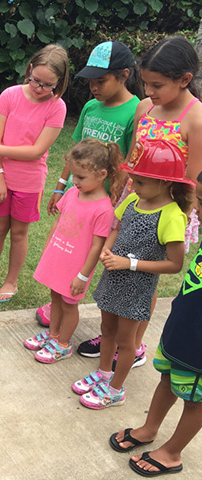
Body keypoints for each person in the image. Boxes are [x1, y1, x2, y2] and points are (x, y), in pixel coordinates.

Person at [75, 36, 202, 363]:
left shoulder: (196, 118)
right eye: (145, 83)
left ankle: (134, 342)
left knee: (145, 278)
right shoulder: (145, 108)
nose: (148, 93)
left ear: (184, 80)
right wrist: (121, 194)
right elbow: (132, 158)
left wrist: (176, 218)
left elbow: (192, 180)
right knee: (118, 268)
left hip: (168, 211)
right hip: (134, 201)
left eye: (157, 85)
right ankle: (113, 334)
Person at [73, 138, 194, 410]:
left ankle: (115, 388)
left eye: (140, 182)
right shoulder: (131, 200)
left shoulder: (172, 215)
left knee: (126, 342)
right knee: (106, 330)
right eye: (134, 180)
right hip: (113, 278)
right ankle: (104, 375)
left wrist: (130, 263)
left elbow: (174, 264)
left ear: (164, 183)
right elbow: (116, 226)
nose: (133, 187)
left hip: (136, 288)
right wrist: (106, 249)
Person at [36, 40, 140, 330]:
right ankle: (58, 300)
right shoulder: (91, 107)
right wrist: (59, 187)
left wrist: (118, 205)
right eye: (90, 81)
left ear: (124, 75)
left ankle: (74, 310)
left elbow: (129, 164)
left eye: (101, 81)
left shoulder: (134, 111)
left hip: (103, 207)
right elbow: (75, 154)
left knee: (90, 255)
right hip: (75, 198)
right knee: (63, 247)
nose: (94, 87)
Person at [109, 171, 202, 477]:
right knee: (168, 379)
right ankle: (150, 428)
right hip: (184, 324)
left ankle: (172, 452)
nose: (197, 208)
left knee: (195, 397)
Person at [0, 44, 68, 302]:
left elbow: (36, 151)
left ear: (59, 83)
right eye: (36, 80)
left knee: (18, 232)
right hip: (0, 177)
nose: (39, 88)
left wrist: (0, 149)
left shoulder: (57, 107)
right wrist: (0, 177)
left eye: (47, 85)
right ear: (29, 70)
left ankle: (11, 282)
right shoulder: (10, 95)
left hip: (30, 182)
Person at [23, 139, 121, 363]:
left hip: (76, 268)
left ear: (102, 174)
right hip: (57, 258)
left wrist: (83, 275)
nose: (74, 182)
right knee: (55, 297)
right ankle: (53, 334)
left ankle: (63, 343)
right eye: (73, 176)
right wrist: (48, 250)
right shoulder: (71, 194)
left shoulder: (103, 209)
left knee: (69, 304)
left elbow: (97, 246)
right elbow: (57, 224)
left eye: (80, 177)